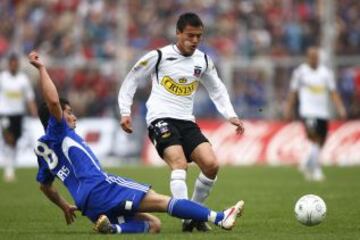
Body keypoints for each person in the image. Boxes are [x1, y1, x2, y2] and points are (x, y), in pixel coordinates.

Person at [28, 50, 244, 234]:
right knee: (163, 202)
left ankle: (115, 229)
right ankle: (220, 217)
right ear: (55, 117)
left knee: (153, 225)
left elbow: (45, 186)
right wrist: (42, 69)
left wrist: (64, 205)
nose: (72, 117)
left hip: (88, 206)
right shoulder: (58, 129)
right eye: (69, 113)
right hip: (103, 188)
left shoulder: (42, 148)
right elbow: (54, 101)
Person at [118, 12, 244, 232]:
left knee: (211, 165)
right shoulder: (159, 56)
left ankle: (191, 214)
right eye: (190, 35)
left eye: (199, 36)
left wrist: (230, 114)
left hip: (186, 120)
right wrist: (125, 111)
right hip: (160, 118)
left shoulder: (202, 60)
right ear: (178, 33)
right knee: (179, 164)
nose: (194, 40)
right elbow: (132, 78)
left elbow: (217, 88)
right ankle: (188, 216)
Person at [285, 47, 347, 181]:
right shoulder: (300, 72)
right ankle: (317, 169)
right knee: (314, 138)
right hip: (307, 111)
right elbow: (293, 91)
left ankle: (307, 163)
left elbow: (333, 92)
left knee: (321, 142)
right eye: (311, 57)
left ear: (319, 58)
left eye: (316, 57)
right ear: (308, 57)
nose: (314, 59)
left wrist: (340, 107)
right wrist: (288, 108)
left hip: (322, 112)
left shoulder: (326, 73)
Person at [0, 53, 37, 182]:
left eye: (16, 63)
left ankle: (11, 166)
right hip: (5, 113)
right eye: (12, 63)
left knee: (15, 141)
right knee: (8, 138)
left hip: (18, 114)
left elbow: (29, 97)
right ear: (9, 64)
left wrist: (33, 111)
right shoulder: (2, 78)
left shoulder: (23, 79)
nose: (14, 65)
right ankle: (8, 169)